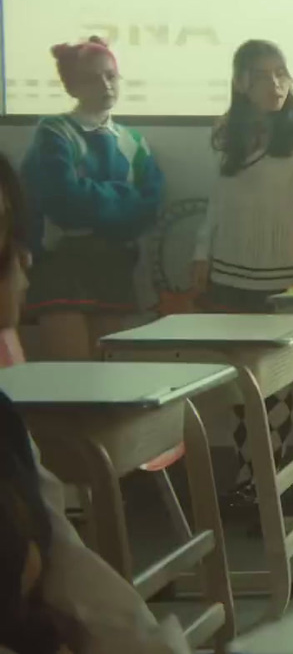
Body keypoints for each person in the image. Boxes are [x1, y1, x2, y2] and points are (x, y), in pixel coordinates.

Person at [0, 152, 189, 654]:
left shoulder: (6, 426)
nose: (25, 259)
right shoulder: (55, 139)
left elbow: (64, 560)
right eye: (7, 242)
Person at [190, 39, 293, 508]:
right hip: (231, 278)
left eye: (281, 73)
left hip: (284, 281)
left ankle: (264, 485)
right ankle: (253, 478)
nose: (275, 84)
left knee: (274, 385)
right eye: (262, 75)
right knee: (241, 386)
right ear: (240, 83)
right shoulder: (227, 132)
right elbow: (218, 205)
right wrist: (201, 255)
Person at [20, 37, 164, 361]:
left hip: (113, 265)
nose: (105, 85)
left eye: (111, 76)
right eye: (92, 78)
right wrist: (121, 198)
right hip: (60, 265)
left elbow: (149, 206)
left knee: (107, 376)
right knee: (70, 377)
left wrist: (96, 198)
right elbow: (62, 200)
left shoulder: (133, 141)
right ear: (71, 87)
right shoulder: (55, 132)